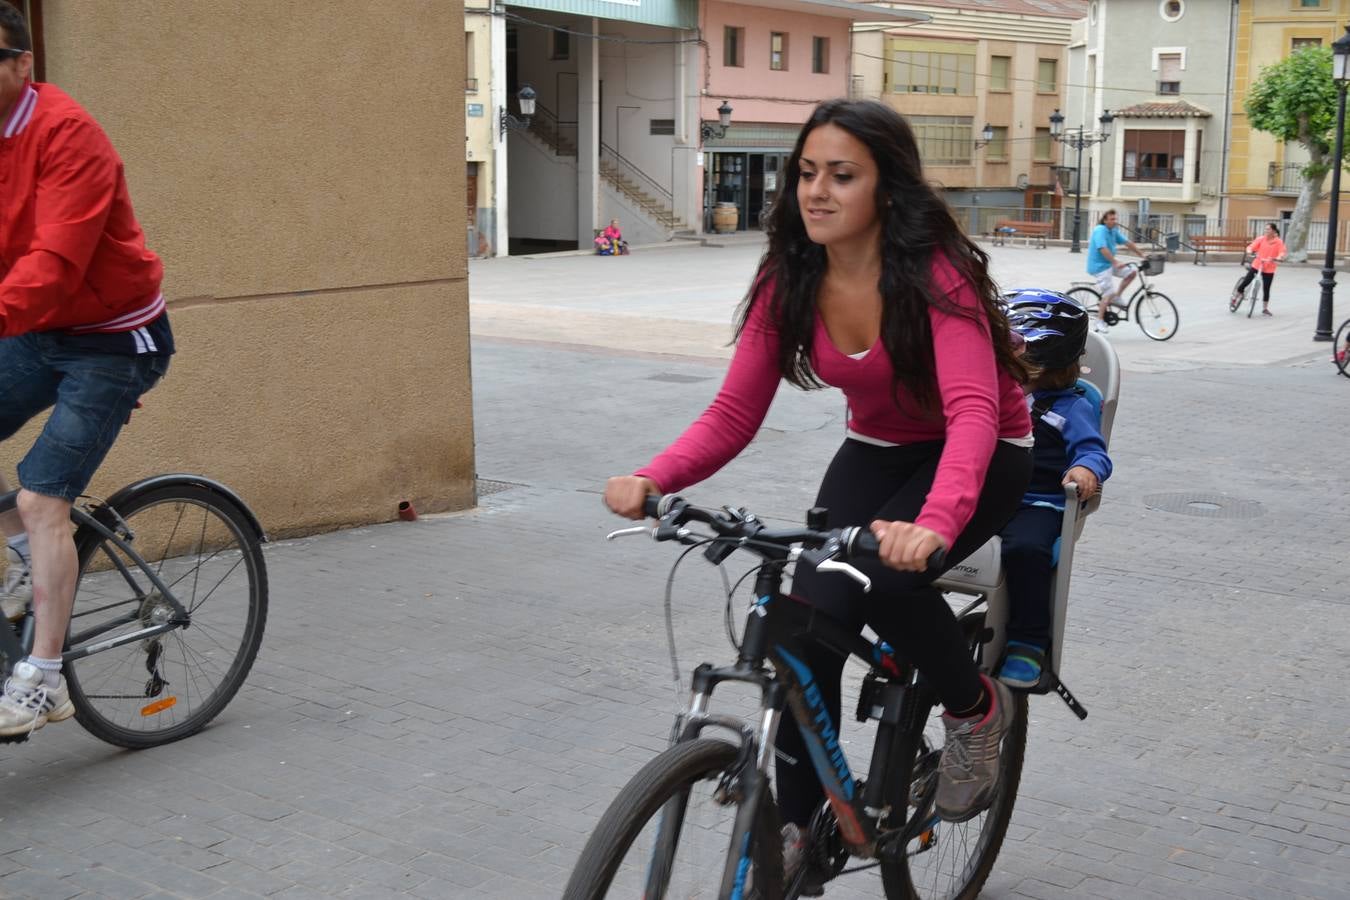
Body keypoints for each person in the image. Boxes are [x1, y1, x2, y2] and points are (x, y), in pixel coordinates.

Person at [602, 99, 1034, 886]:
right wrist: (655, 477)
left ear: (887, 191)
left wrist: (934, 522)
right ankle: (800, 829)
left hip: (985, 455)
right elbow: (735, 409)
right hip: (878, 451)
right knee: (801, 626)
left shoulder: (937, 276)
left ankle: (975, 709)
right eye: (806, 173)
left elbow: (974, 411)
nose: (817, 191)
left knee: (882, 574)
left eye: (842, 175)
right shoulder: (791, 275)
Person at [0, 1, 173, 736]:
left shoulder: (68, 135)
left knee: (44, 499)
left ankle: (43, 679)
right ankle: (23, 555)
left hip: (112, 340)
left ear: (22, 65)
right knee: (33, 517)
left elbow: (53, 265)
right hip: (38, 329)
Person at [995, 290, 1112, 689]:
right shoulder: (989, 391)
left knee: (1027, 551)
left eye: (1021, 358)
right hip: (986, 497)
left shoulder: (1072, 406)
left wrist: (1083, 469)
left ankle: (1028, 642)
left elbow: (1093, 451)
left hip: (1037, 503)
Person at [1086, 209, 1143, 335]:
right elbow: (1102, 248)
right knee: (1108, 292)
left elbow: (1128, 243)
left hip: (1109, 263)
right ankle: (1099, 321)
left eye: (1115, 219)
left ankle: (1116, 297)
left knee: (1131, 273)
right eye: (1112, 219)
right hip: (1099, 266)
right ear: (1105, 220)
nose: (1114, 221)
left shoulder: (1113, 231)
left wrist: (1142, 255)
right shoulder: (1100, 230)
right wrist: (1115, 262)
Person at [1231, 223, 1288, 317]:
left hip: (1269, 267)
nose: (1266, 231)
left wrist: (1278, 257)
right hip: (1257, 264)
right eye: (1266, 229)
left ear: (1273, 231)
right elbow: (1251, 247)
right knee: (1245, 282)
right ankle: (1235, 298)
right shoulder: (1261, 239)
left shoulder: (1278, 242)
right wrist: (1249, 251)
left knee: (1266, 288)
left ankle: (1265, 309)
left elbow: (1282, 252)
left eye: (1268, 229)